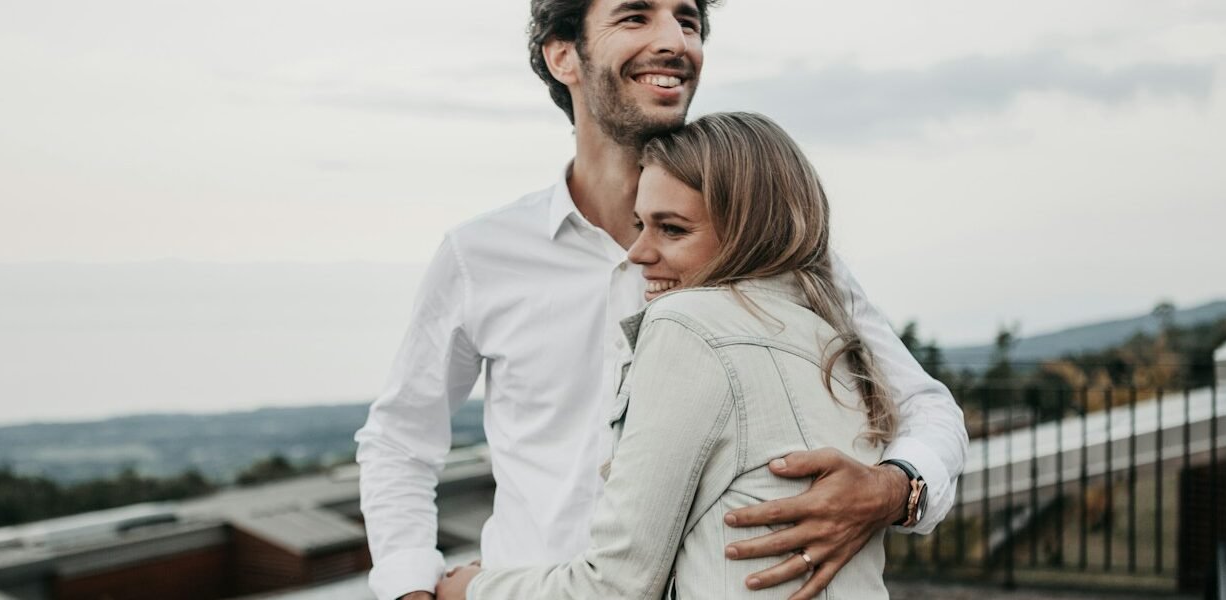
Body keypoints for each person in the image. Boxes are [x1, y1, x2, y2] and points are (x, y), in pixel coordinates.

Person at [354, 2, 968, 599]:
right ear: (564, 54)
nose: (675, 39)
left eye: (688, 19)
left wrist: (893, 489)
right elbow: (400, 440)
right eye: (636, 14)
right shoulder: (479, 254)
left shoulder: (773, 249)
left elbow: (924, 406)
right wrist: (411, 584)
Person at [435, 111, 910, 600]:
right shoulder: (834, 338)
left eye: (673, 230)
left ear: (749, 230)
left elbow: (616, 587)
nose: (638, 252)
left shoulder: (686, 325)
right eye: (641, 224)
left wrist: (471, 589)